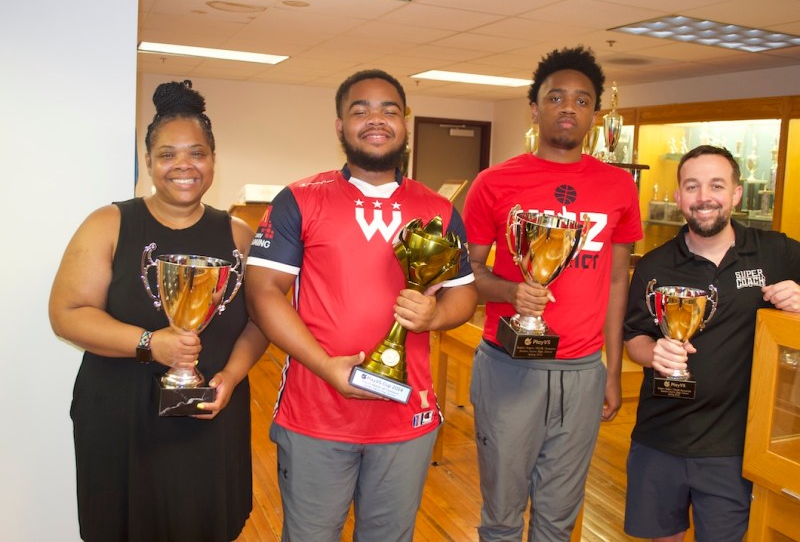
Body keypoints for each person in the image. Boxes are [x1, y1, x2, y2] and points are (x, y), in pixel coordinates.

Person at [244, 69, 477, 541]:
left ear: (405, 123)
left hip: (406, 418)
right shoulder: (299, 200)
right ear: (339, 126)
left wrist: (437, 315)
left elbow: (464, 294)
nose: (377, 119)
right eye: (361, 110)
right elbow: (262, 293)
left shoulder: (439, 209)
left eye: (390, 109)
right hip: (316, 413)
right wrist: (327, 367)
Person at [49, 80, 269, 542]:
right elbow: (67, 313)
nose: (183, 165)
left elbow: (259, 322)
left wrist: (230, 376)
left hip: (210, 415)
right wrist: (150, 343)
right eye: (167, 154)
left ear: (212, 160)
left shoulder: (238, 236)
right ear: (148, 162)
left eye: (197, 152)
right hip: (121, 419)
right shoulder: (110, 224)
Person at [462, 45, 643, 541]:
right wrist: (511, 289)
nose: (569, 107)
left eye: (582, 100)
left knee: (559, 520)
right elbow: (469, 272)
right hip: (509, 367)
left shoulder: (618, 187)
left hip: (583, 373)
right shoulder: (493, 183)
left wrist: (611, 371)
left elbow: (615, 281)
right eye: (556, 97)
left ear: (595, 114)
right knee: (501, 515)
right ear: (535, 107)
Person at [623, 144, 800, 541]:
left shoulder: (776, 252)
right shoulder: (654, 264)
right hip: (659, 440)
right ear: (678, 197)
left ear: (736, 194)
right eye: (692, 186)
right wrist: (654, 353)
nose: (704, 198)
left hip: (732, 447)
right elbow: (634, 338)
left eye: (716, 185)